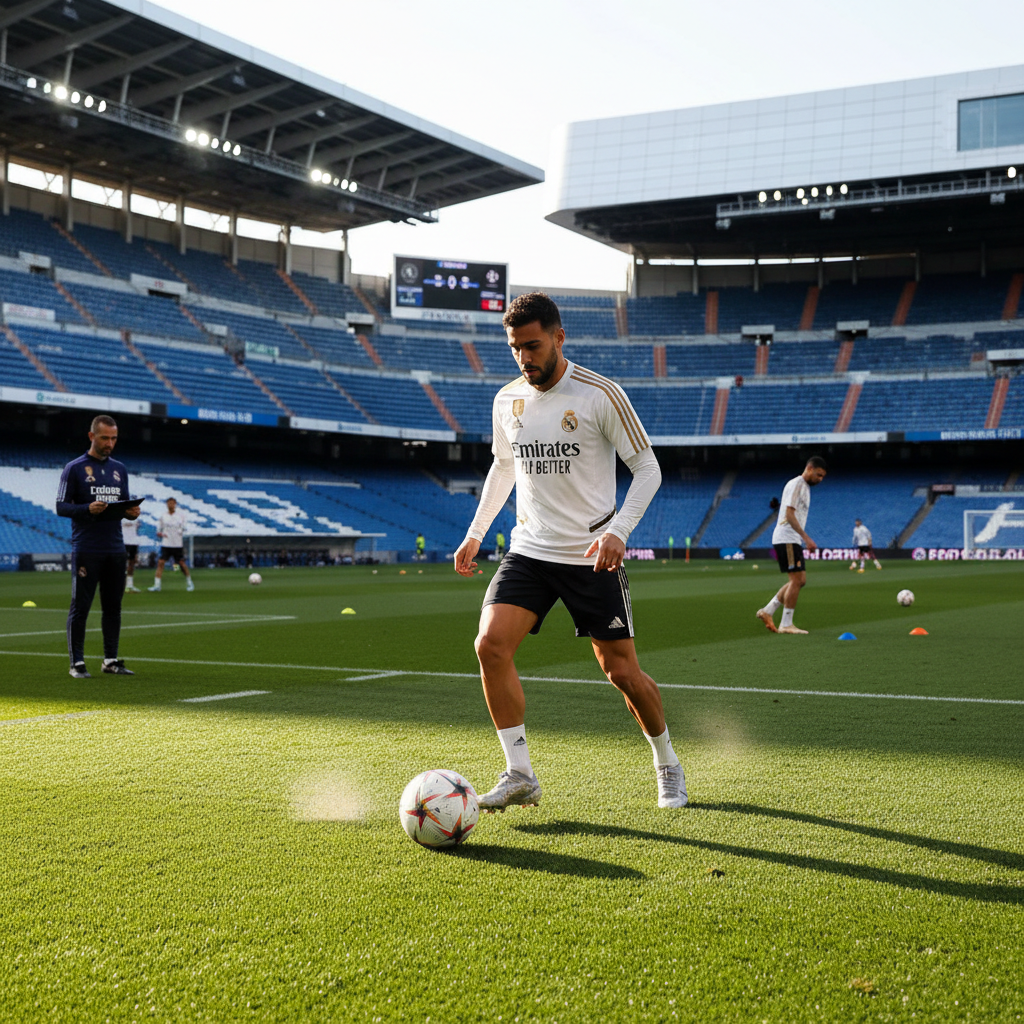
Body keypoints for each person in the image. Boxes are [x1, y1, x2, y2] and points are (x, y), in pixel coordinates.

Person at [454, 292, 686, 812]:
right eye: (515, 348)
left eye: (533, 346)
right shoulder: (506, 400)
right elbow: (504, 467)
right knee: (489, 645)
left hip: (591, 555)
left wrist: (619, 531)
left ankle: (667, 763)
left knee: (622, 672)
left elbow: (648, 469)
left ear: (559, 337)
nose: (524, 358)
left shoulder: (600, 395)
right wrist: (476, 531)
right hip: (529, 552)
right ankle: (519, 774)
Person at [55, 414, 140, 678]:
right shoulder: (75, 468)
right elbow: (61, 506)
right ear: (92, 436)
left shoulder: (120, 469)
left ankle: (110, 660)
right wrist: (86, 508)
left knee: (113, 608)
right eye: (105, 438)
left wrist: (131, 512)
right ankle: (76, 663)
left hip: (115, 548)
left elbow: (123, 506)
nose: (110, 443)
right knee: (81, 607)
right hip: (87, 548)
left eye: (114, 438)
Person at [756, 456, 828, 635]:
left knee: (799, 580)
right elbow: (789, 514)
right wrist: (806, 538)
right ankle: (786, 624)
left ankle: (768, 611)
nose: (820, 480)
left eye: (822, 477)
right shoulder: (797, 484)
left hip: (791, 539)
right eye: (818, 475)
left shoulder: (804, 487)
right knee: (796, 580)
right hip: (787, 538)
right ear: (809, 468)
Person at [148, 497, 194, 592]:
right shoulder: (163, 516)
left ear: (175, 504)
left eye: (172, 503)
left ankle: (190, 582)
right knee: (161, 563)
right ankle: (157, 585)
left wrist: (180, 530)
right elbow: (159, 530)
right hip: (166, 544)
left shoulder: (181, 516)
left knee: (181, 564)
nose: (171, 505)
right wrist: (160, 534)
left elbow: (185, 527)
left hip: (177, 544)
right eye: (169, 503)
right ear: (167, 504)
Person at [122, 514, 141, 593]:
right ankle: (119, 585)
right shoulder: (120, 515)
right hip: (122, 542)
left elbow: (137, 527)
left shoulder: (135, 516)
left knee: (131, 563)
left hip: (133, 542)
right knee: (120, 564)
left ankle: (129, 585)